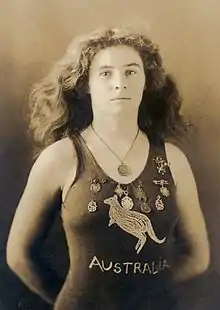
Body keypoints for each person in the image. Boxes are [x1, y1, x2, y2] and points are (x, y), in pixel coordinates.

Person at [6, 27, 210, 310]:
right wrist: (71, 301)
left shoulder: (173, 160)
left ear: (146, 82)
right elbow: (18, 255)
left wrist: (147, 291)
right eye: (105, 73)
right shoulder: (61, 157)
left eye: (131, 72)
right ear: (86, 84)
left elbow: (198, 257)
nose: (120, 83)